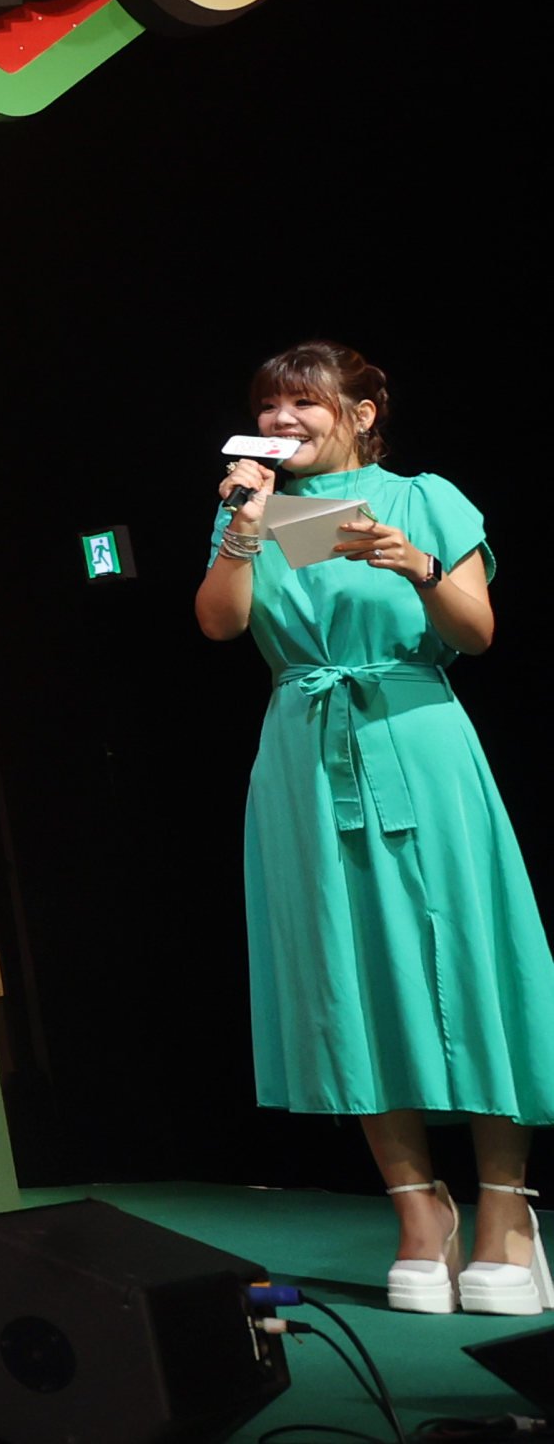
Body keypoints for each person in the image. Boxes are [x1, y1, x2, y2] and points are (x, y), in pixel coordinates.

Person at [200, 339, 542, 1316]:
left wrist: (416, 561)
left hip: (416, 733)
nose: (280, 422)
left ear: (360, 411)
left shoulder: (424, 495)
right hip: (307, 747)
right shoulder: (258, 509)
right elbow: (221, 625)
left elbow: (475, 632)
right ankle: (416, 1209)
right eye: (267, 407)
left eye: (302, 404)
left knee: (468, 959)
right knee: (346, 967)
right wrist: (241, 529)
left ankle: (507, 1210)